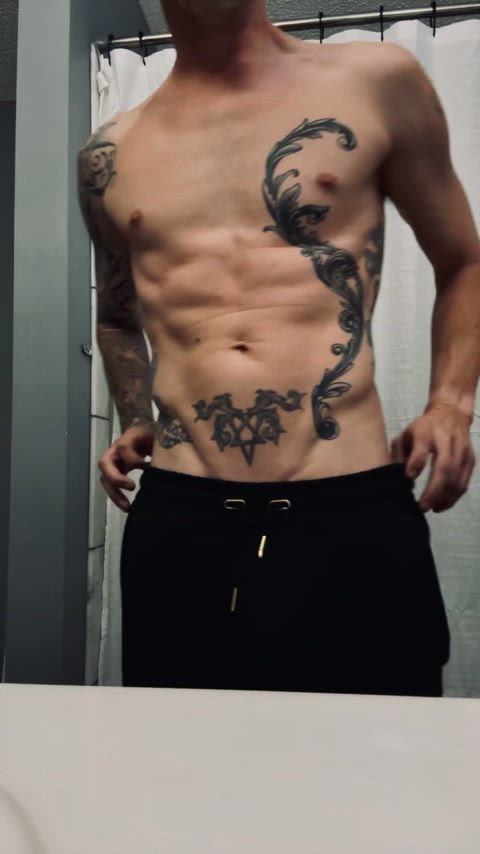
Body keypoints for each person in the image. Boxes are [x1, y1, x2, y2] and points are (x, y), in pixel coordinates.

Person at [77, 0, 480, 696]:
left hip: (349, 514)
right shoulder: (110, 152)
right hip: (182, 522)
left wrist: (450, 403)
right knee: (181, 753)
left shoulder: (375, 80)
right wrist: (136, 416)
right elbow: (117, 314)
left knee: (383, 753)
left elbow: (464, 260)